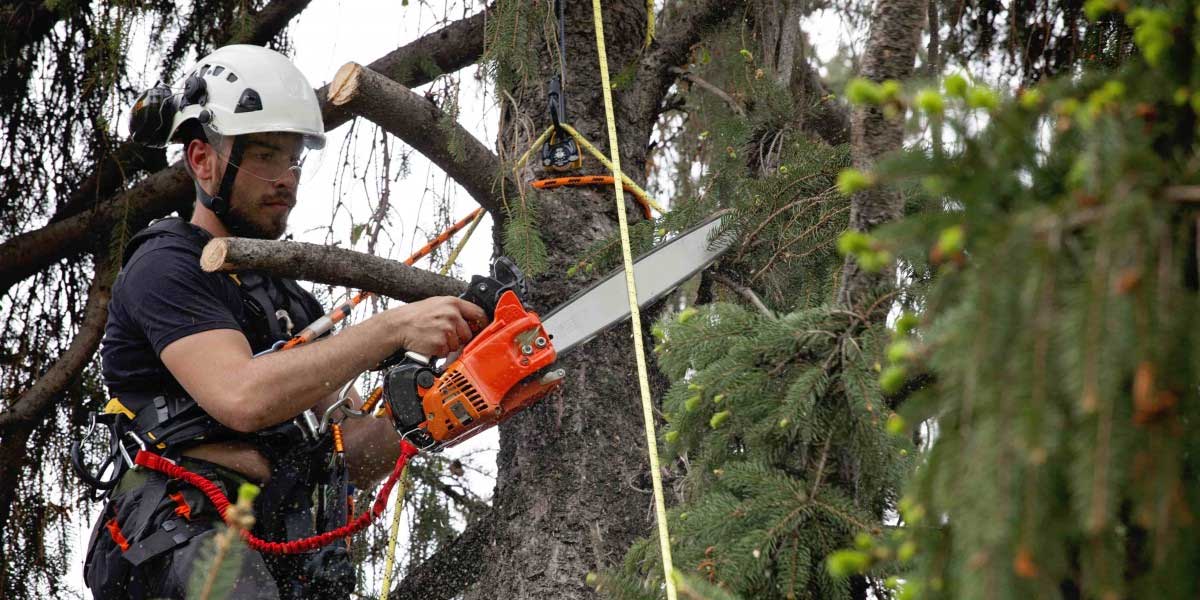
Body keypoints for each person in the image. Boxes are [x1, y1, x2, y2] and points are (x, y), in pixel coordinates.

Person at [81, 45, 485, 599]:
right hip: (181, 531)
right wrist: (391, 329)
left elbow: (350, 450)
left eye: (294, 160)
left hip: (282, 544)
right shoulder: (167, 263)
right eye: (266, 156)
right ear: (202, 160)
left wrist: (456, 398)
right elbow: (242, 396)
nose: (286, 179)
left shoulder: (289, 302)